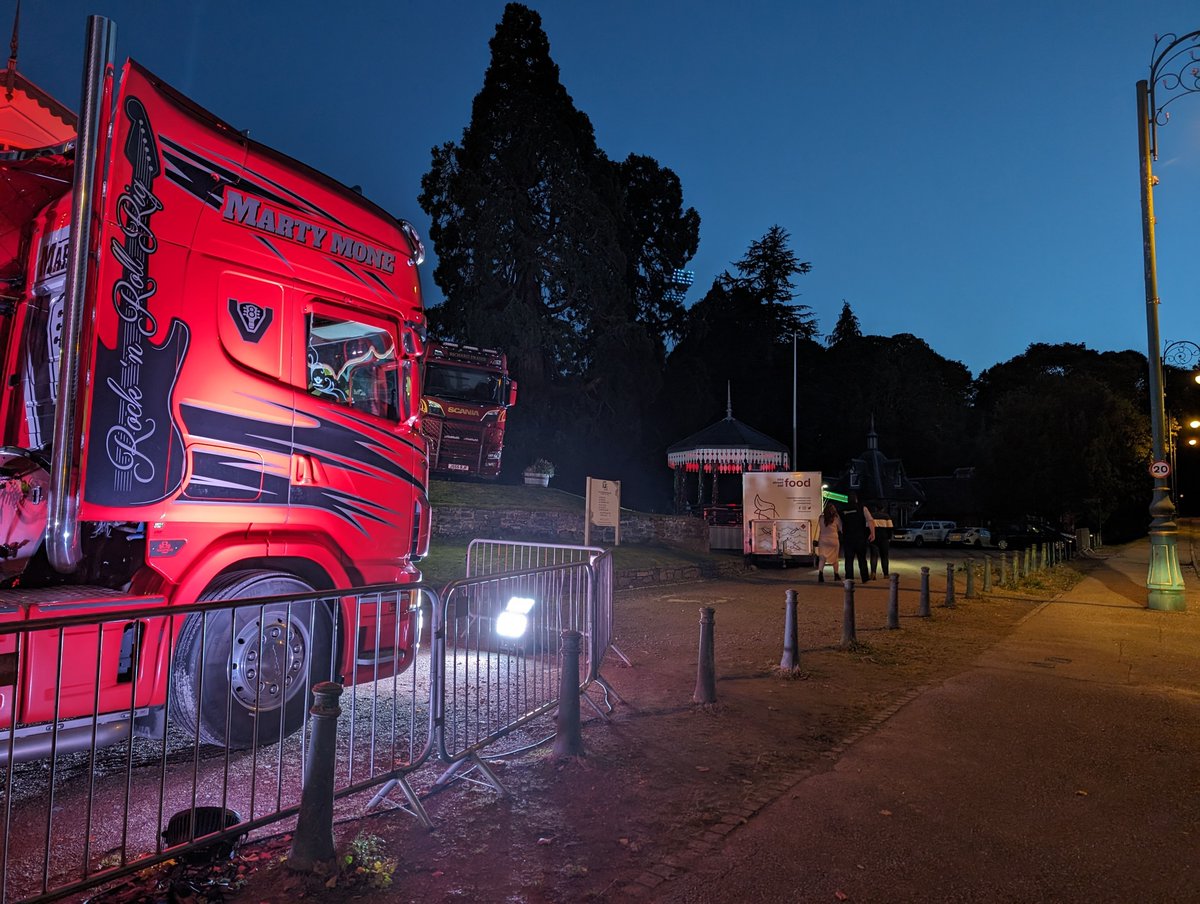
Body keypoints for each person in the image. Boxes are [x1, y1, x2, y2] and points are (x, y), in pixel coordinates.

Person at [840, 492, 875, 583]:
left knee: (848, 559)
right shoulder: (862, 508)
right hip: (860, 537)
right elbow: (870, 520)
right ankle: (865, 578)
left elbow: (840, 524)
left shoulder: (842, 510)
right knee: (862, 559)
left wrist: (843, 532)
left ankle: (849, 579)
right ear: (856, 499)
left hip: (848, 538)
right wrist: (872, 533)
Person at [815, 501, 842, 583]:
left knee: (822, 558)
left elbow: (819, 528)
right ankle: (836, 575)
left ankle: (820, 574)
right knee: (835, 558)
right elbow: (841, 528)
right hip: (833, 539)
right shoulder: (836, 518)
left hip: (823, 539)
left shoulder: (821, 518)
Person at [869, 506, 894, 579]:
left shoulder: (872, 516)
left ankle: (873, 573)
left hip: (874, 538)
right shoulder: (886, 516)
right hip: (884, 539)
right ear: (883, 509)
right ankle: (886, 574)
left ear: (876, 508)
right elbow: (890, 528)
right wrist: (889, 538)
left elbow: (867, 527)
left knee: (873, 556)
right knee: (884, 557)